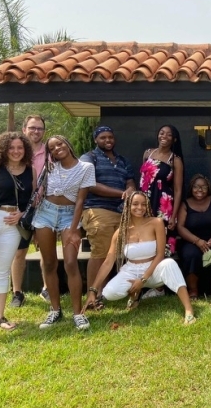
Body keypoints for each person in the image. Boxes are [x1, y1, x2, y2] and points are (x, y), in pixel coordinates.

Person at [83, 192, 196, 324]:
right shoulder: (121, 231)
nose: (140, 207)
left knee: (170, 263)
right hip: (131, 270)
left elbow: (160, 254)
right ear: (128, 206)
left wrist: (143, 279)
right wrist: (93, 290)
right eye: (135, 204)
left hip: (153, 269)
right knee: (109, 293)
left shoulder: (156, 223)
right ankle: (134, 294)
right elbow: (108, 262)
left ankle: (189, 311)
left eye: (143, 204)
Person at [34, 135, 96, 330]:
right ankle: (55, 310)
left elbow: (80, 200)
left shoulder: (86, 168)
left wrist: (74, 229)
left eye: (59, 144)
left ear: (68, 144)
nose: (56, 149)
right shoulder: (50, 167)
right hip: (45, 213)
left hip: (70, 216)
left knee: (70, 262)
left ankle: (78, 313)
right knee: (50, 262)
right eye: (52, 148)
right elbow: (40, 193)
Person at [80, 126, 136, 311]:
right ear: (96, 140)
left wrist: (130, 189)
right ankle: (93, 295)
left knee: (116, 254)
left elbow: (130, 180)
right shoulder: (89, 158)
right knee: (101, 253)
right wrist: (122, 193)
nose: (108, 140)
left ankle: (105, 293)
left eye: (110, 137)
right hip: (98, 210)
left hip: (121, 212)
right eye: (103, 137)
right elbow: (90, 184)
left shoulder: (122, 160)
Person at [0, 132, 34, 330]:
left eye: (20, 147)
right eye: (11, 148)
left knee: (1, 270)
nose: (16, 151)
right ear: (3, 149)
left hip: (13, 225)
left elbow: (32, 199)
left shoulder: (30, 170)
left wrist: (22, 213)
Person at [139, 124, 184, 299]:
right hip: (144, 203)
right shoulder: (147, 153)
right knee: (146, 242)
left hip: (163, 205)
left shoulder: (175, 160)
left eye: (169, 134)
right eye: (161, 133)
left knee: (161, 244)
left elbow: (178, 189)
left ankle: (159, 287)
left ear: (174, 139)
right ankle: (148, 282)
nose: (164, 136)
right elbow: (142, 179)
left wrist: (174, 215)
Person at [9, 114, 48, 308]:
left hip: (45, 207)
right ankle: (17, 292)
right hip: (22, 209)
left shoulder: (50, 152)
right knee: (19, 251)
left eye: (39, 128)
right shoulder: (16, 151)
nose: (36, 131)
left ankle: (47, 288)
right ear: (24, 129)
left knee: (46, 250)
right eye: (32, 127)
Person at [177, 174, 211, 300]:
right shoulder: (185, 204)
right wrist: (197, 241)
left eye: (203, 187)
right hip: (191, 241)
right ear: (191, 188)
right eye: (196, 187)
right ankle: (193, 290)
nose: (200, 190)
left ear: (208, 188)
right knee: (190, 254)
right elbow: (180, 227)